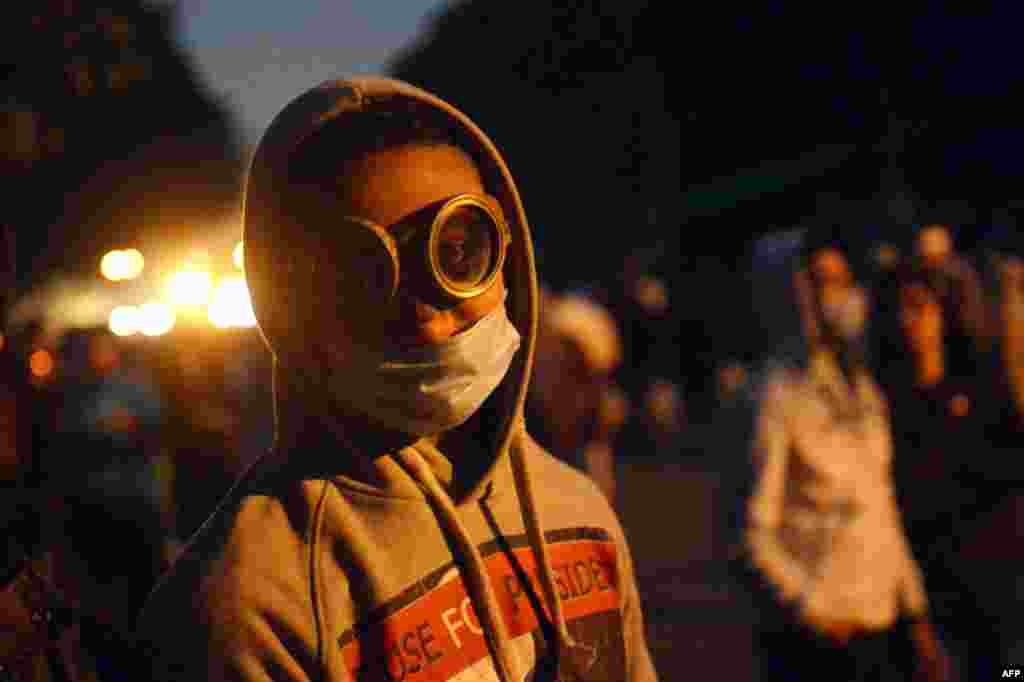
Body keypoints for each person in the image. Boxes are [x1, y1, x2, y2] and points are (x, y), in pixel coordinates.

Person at [134, 77, 657, 681]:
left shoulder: (580, 515)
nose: (428, 316)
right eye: (365, 273)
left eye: (459, 252)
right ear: (291, 305)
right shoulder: (247, 605)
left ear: (510, 261)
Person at [738, 230, 953, 681]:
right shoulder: (777, 397)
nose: (830, 298)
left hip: (884, 626)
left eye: (840, 282)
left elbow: (881, 505)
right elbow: (755, 530)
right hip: (822, 641)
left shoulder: (866, 389)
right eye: (817, 282)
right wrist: (810, 608)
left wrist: (916, 612)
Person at [528, 285, 629, 502]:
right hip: (560, 415)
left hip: (581, 409)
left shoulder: (573, 320)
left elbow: (601, 367)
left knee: (592, 467)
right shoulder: (565, 322)